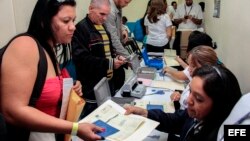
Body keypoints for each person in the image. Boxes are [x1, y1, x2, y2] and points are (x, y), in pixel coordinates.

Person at [0, 0, 104, 141]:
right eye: (66, 21)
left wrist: (70, 91)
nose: (73, 27)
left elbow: (44, 89)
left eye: (73, 20)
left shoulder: (51, 48)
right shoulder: (25, 45)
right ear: (44, 21)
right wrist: (74, 128)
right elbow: (13, 111)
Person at [125, 65, 242, 141]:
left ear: (219, 106)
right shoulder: (198, 115)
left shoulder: (220, 135)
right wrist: (146, 113)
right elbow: (176, 120)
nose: (188, 100)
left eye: (199, 99)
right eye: (190, 91)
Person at [72, 0, 126, 118]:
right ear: (90, 9)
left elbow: (107, 52)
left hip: (107, 84)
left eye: (107, 14)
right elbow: (82, 59)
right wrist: (110, 63)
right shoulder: (80, 29)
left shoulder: (102, 27)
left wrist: (116, 57)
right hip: (91, 89)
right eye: (102, 14)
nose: (105, 18)